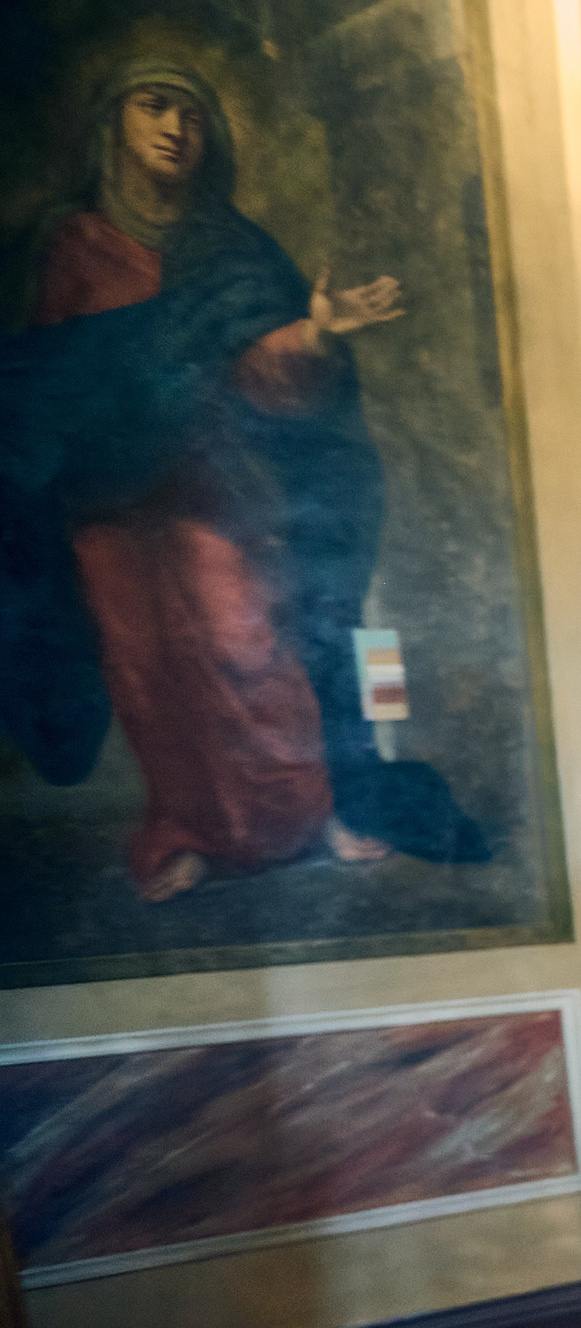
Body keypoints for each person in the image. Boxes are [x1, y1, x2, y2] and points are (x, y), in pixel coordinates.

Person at [0, 59, 484, 902]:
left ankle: (310, 817)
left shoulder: (230, 250)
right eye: (155, 107)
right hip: (105, 499)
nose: (174, 129)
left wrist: (317, 333)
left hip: (209, 482)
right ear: (114, 124)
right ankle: (184, 833)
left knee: (245, 645)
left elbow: (265, 378)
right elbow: (52, 382)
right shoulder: (73, 246)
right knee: (144, 667)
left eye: (191, 115)